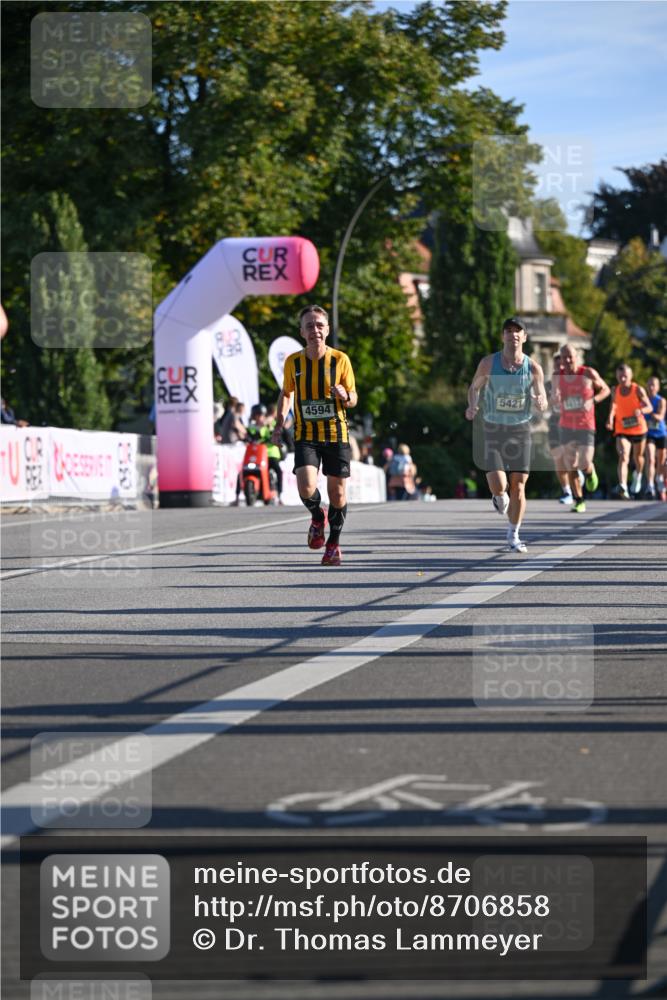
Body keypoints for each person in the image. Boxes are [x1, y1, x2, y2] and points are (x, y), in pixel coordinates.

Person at [272, 304, 357, 566]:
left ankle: (333, 545)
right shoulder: (293, 362)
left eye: (319, 325)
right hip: (306, 434)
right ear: (302, 332)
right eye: (309, 326)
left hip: (336, 434)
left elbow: (353, 398)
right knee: (306, 487)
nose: (315, 330)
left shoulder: (340, 360)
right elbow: (287, 393)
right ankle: (318, 517)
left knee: (338, 494)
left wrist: (345, 395)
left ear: (327, 330)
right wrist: (279, 422)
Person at [465, 317, 547, 553]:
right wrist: (472, 405)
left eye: (518, 331)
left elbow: (542, 395)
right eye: (508, 331)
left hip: (520, 430)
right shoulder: (488, 364)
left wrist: (541, 401)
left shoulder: (533, 368)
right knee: (500, 487)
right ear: (503, 336)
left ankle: (514, 533)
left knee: (518, 486)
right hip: (493, 429)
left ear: (524, 337)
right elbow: (474, 388)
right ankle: (498, 496)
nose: (513, 335)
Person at [553, 344, 610, 513]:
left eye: (570, 356)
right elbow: (554, 395)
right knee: (570, 464)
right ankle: (579, 500)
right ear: (561, 360)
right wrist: (555, 398)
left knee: (584, 462)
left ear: (576, 357)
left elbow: (605, 390)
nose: (567, 360)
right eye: (564, 357)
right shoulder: (558, 375)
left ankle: (590, 472)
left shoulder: (588, 373)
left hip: (586, 425)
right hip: (566, 425)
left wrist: (593, 400)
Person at [606, 364, 653, 498]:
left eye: (625, 376)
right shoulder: (615, 390)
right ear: (617, 376)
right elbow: (613, 405)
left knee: (638, 458)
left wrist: (641, 410)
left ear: (631, 376)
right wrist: (610, 418)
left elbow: (649, 407)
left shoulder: (638, 389)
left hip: (639, 429)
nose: (622, 379)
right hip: (622, 428)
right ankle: (623, 485)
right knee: (623, 455)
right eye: (620, 376)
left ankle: (638, 475)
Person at [546, 354, 574, 504]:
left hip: (571, 423)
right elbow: (544, 404)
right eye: (557, 365)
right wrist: (551, 399)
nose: (559, 367)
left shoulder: (573, 382)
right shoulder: (549, 384)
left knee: (571, 457)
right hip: (554, 423)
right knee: (558, 458)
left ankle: (578, 473)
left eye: (561, 365)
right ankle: (567, 491)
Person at [645, 376, 666, 500]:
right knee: (651, 459)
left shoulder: (661, 400)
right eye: (649, 384)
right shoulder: (643, 400)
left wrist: (648, 411)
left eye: (654, 385)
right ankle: (650, 485)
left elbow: (660, 416)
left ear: (658, 387)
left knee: (661, 462)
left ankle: (659, 478)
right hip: (649, 434)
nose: (651, 387)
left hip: (661, 433)